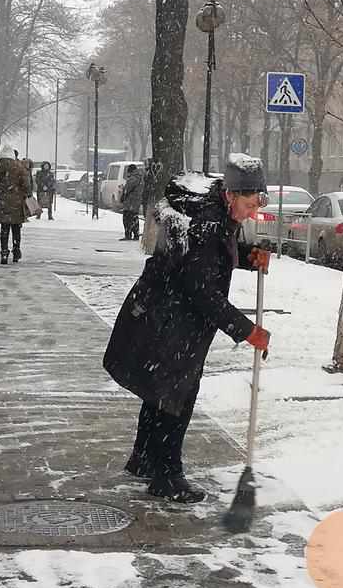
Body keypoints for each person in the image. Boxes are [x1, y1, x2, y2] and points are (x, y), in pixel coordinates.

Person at [103, 153, 273, 503]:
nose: (253, 212)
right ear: (231, 194)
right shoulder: (209, 220)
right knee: (176, 397)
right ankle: (167, 476)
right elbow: (202, 291)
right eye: (250, 203)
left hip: (161, 310)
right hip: (172, 318)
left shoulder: (214, 213)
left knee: (160, 389)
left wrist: (248, 253)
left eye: (259, 203)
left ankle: (144, 459)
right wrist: (246, 330)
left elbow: (213, 254)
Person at [0, 145, 31, 265]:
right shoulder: (19, 166)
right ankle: (16, 250)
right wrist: (26, 193)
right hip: (16, 201)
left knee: (4, 229)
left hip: (3, 201)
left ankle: (4, 252)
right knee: (16, 228)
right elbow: (26, 184)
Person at [119, 163, 143, 240]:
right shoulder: (140, 177)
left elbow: (127, 189)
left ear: (130, 171)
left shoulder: (133, 179)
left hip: (130, 201)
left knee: (127, 218)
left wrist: (123, 196)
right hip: (136, 201)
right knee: (134, 217)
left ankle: (128, 234)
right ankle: (136, 234)